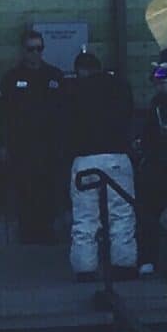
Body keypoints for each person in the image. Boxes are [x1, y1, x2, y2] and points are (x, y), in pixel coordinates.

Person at [59, 49, 136, 275]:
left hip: (85, 158)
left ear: (80, 71)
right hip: (118, 155)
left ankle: (85, 268)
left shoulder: (74, 92)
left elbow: (65, 126)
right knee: (122, 214)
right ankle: (124, 264)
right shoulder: (121, 87)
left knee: (85, 218)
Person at [0, 28, 65, 243]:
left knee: (48, 190)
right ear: (23, 51)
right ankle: (28, 236)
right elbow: (0, 115)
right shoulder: (12, 78)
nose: (35, 53)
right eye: (31, 49)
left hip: (48, 146)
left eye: (39, 48)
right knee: (25, 190)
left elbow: (64, 112)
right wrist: (0, 145)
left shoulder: (54, 76)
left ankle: (47, 234)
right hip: (21, 145)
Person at [132, 59, 167, 270]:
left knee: (158, 215)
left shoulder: (162, 104)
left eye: (160, 80)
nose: (157, 85)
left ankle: (152, 259)